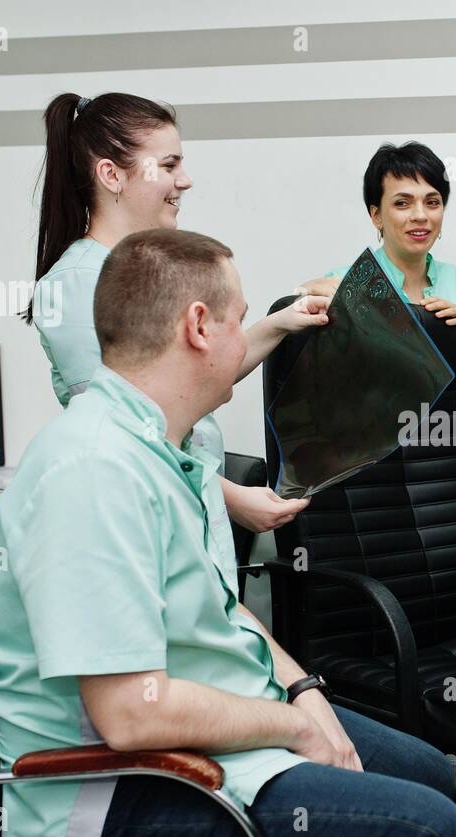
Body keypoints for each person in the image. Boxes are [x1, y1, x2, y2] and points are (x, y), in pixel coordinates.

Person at [0, 228, 456, 837]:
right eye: (239, 321)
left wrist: (305, 692)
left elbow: (222, 612)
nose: (248, 342)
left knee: (427, 773)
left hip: (213, 728)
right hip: (120, 793)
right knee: (431, 832)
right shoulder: (92, 470)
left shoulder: (161, 453)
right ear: (198, 327)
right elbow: (133, 715)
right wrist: (296, 727)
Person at [23, 91, 323, 533]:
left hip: (187, 500)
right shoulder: (74, 285)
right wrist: (232, 497)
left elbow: (194, 371)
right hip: (145, 509)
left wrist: (281, 323)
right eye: (168, 166)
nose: (185, 181)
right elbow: (120, 430)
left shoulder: (151, 266)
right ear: (111, 175)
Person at [301, 142, 456, 496]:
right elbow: (298, 304)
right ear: (376, 215)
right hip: (372, 478)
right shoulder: (349, 279)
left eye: (432, 202)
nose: (420, 215)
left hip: (452, 473)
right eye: (402, 203)